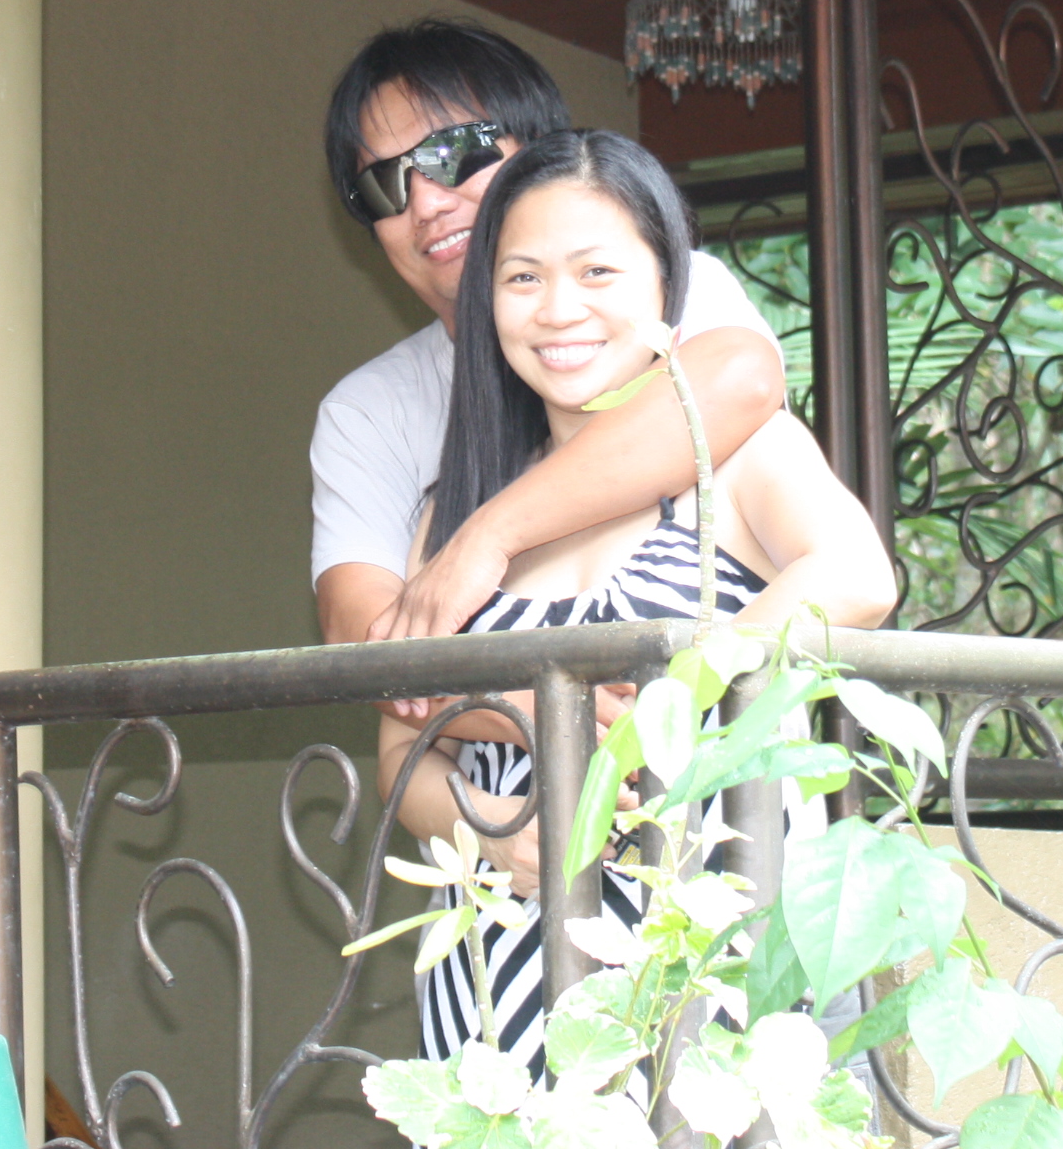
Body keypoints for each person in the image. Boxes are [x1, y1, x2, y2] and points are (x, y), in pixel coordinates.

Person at [374, 130, 899, 1071]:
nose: (558, 309)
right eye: (523, 278)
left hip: (711, 968)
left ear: (667, 285)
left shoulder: (738, 455)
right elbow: (401, 757)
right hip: (496, 989)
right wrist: (497, 838)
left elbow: (860, 575)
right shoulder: (449, 517)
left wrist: (665, 703)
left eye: (597, 272)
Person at [310, 22, 789, 655]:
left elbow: (741, 380)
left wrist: (487, 536)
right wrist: (539, 701)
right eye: (384, 183)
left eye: (454, 152)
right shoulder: (368, 410)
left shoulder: (659, 286)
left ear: (539, 152)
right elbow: (362, 630)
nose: (425, 204)